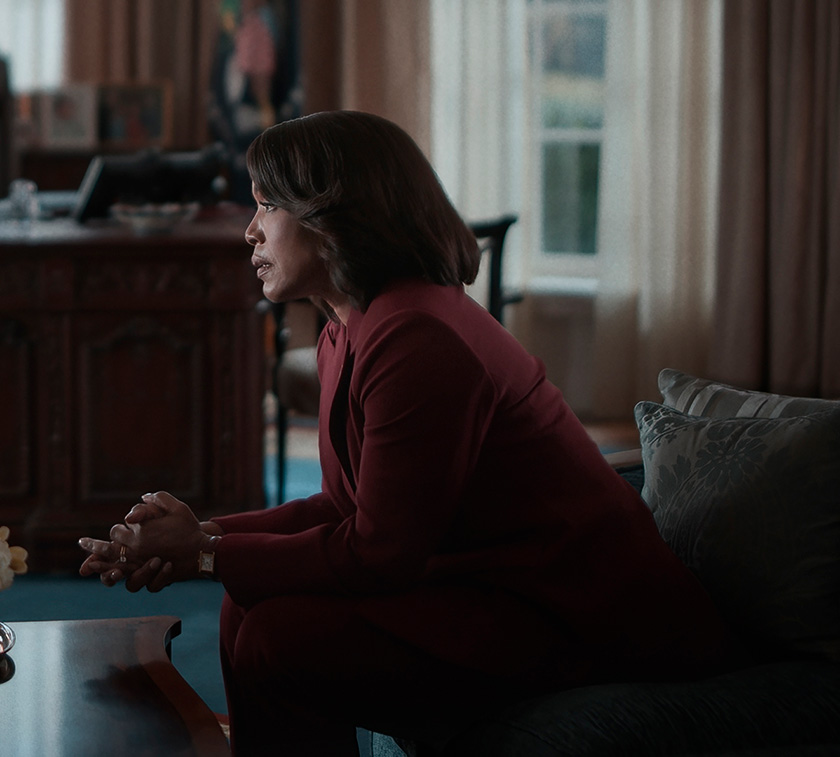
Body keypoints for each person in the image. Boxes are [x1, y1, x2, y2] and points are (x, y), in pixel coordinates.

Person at [76, 110, 726, 755]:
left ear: (330, 216)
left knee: (279, 637)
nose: (250, 231)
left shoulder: (416, 337)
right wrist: (200, 536)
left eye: (267, 205)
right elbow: (343, 505)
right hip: (495, 587)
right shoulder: (351, 325)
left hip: (577, 616)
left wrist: (205, 553)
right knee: (246, 610)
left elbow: (379, 552)